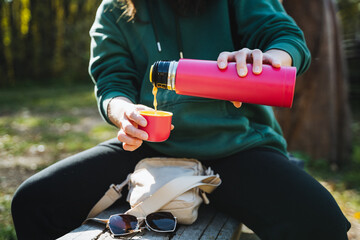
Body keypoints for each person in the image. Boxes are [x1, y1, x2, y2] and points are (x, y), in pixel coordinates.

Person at [11, 0, 351, 239]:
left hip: (238, 147)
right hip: (146, 148)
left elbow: (286, 38)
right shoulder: (116, 8)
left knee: (321, 222)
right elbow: (111, 82)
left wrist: (266, 60)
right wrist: (124, 113)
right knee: (34, 202)